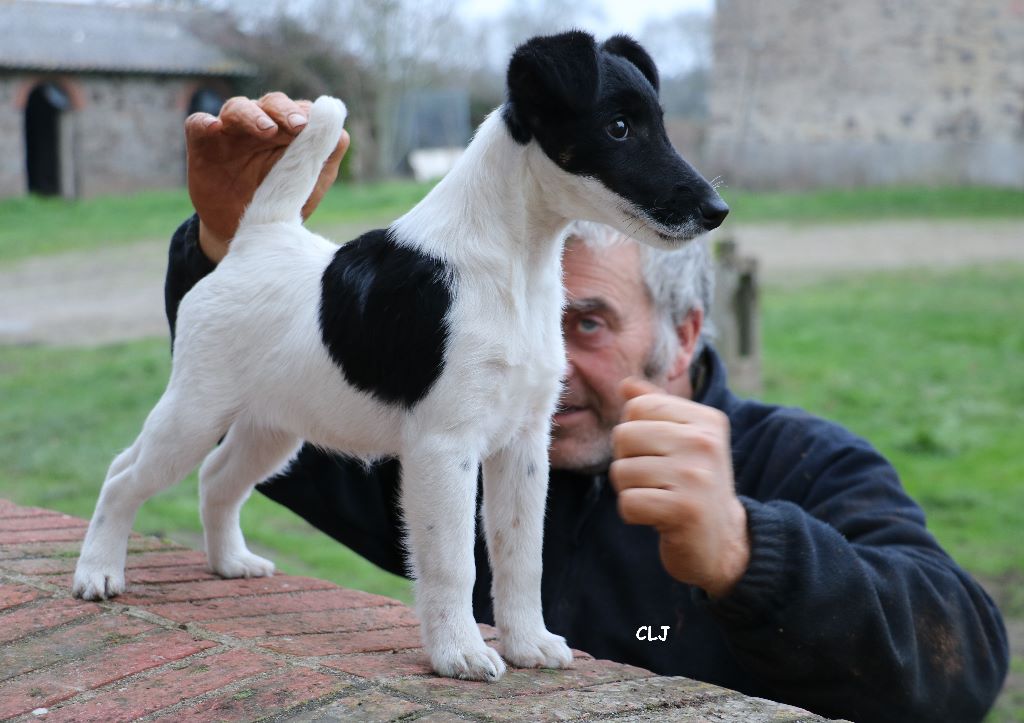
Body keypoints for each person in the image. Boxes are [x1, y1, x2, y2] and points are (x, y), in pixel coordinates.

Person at [165, 94, 1008, 722]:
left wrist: (750, 553)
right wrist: (227, 247)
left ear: (684, 333)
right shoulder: (453, 420)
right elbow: (276, 387)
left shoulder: (805, 462)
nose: (544, 360)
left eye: (587, 323)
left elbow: (962, 661)